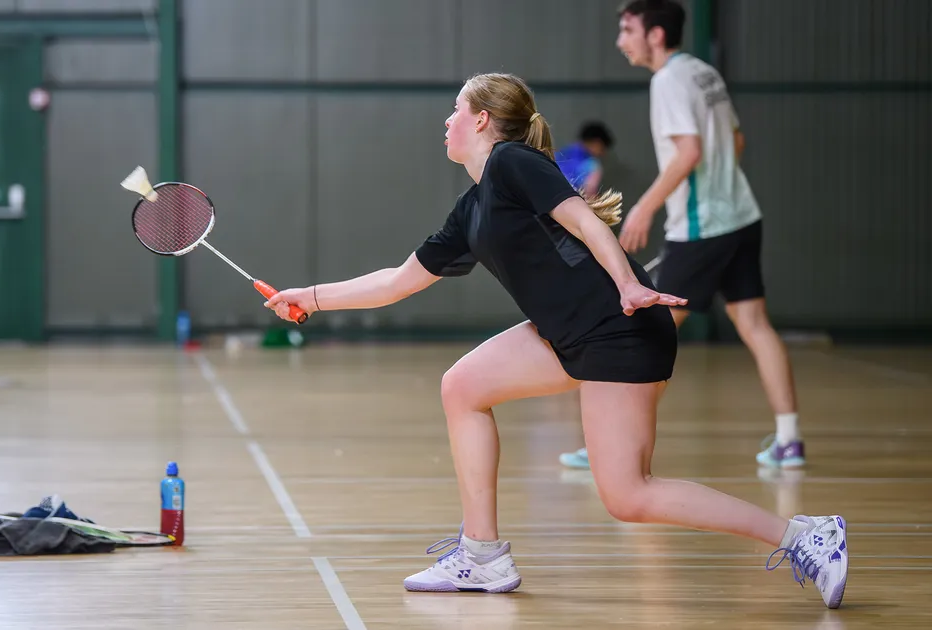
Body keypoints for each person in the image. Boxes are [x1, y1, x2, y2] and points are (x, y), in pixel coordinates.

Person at [262, 72, 847, 608]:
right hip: (571, 335)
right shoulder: (473, 208)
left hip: (619, 327)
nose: (446, 121)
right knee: (462, 386)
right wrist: (307, 297)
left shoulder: (515, 163)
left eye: (455, 110)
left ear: (483, 120)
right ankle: (482, 556)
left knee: (629, 496)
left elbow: (585, 220)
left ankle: (805, 536)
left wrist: (627, 284)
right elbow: (395, 282)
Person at [561, 0, 803, 471]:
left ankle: (610, 446)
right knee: (754, 325)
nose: (620, 40)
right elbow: (734, 141)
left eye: (627, 29)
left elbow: (689, 151)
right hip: (741, 215)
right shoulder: (702, 72)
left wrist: (645, 208)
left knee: (635, 329)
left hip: (700, 228)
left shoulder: (668, 79)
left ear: (654, 35)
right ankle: (789, 438)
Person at [554, 121, 614, 196]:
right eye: (602, 148)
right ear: (597, 142)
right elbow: (589, 193)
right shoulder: (592, 165)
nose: (603, 153)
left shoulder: (560, 153)